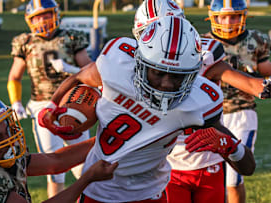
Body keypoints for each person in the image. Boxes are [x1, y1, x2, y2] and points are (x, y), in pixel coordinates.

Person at [39, 16, 255, 202]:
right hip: (99, 189)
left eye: (178, 76)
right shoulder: (117, 66)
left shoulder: (199, 101)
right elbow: (78, 76)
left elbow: (248, 167)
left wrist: (231, 147)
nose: (167, 84)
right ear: (140, 63)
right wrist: (52, 105)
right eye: (159, 73)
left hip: (149, 194)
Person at [131, 0, 270, 202]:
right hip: (167, 165)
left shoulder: (205, 57)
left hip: (208, 162)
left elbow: (254, 86)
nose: (166, 41)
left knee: (236, 178)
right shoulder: (128, 65)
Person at [0, 90, 118, 202]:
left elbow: (55, 161)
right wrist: (85, 180)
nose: (8, 138)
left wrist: (113, 137)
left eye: (7, 128)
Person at [7, 0, 93, 198]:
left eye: (46, 15)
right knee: (54, 169)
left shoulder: (71, 37)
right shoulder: (26, 42)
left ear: (55, 14)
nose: (42, 20)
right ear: (29, 20)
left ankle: (89, 199)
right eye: (37, 17)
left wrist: (71, 70)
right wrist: (16, 102)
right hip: (42, 107)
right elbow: (14, 77)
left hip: (72, 105)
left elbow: (91, 71)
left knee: (83, 165)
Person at [203, 0, 271, 202]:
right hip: (209, 115)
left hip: (242, 112)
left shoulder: (256, 39)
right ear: (213, 18)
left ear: (243, 17)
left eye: (233, 16)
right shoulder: (203, 42)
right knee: (211, 173)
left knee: (233, 178)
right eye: (223, 17)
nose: (228, 21)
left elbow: (265, 71)